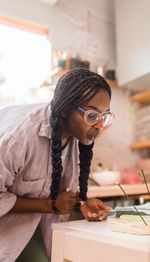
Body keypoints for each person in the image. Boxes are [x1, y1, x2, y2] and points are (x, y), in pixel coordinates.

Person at [0, 68, 114, 262]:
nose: (100, 125)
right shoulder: (19, 138)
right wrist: (48, 205)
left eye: (105, 116)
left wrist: (81, 203)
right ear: (64, 110)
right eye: (92, 116)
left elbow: (47, 184)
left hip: (36, 220)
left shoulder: (77, 133)